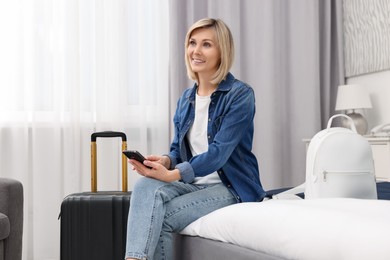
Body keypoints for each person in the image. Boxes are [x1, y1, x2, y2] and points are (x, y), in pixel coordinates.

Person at [125, 18, 266, 260]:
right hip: (193, 182)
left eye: (207, 44)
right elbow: (178, 150)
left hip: (231, 186)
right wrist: (167, 161)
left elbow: (219, 153)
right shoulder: (186, 98)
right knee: (145, 186)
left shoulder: (240, 95)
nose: (196, 51)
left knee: (163, 217)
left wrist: (173, 174)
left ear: (222, 51)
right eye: (192, 43)